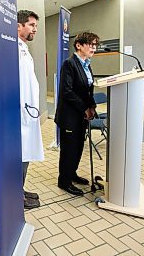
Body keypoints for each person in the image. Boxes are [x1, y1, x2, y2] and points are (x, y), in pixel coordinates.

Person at [54, 32, 100, 196]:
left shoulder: (86, 64)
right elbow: (67, 92)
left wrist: (92, 106)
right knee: (69, 149)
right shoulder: (70, 64)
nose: (93, 48)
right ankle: (64, 181)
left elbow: (87, 89)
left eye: (95, 45)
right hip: (69, 115)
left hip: (81, 114)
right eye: (90, 44)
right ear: (78, 45)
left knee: (78, 146)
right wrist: (84, 108)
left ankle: (71, 173)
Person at [17, 10, 44, 209]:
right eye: (31, 25)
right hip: (20, 114)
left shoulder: (23, 48)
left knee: (26, 154)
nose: (35, 29)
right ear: (18, 26)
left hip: (28, 111)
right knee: (21, 154)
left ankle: (21, 189)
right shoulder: (12, 50)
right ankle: (16, 195)